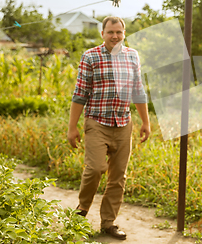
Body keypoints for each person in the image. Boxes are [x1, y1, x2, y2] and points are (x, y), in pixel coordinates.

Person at [67, 16, 151, 240]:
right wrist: (72, 127)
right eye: (110, 32)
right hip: (97, 121)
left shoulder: (132, 56)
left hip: (123, 123)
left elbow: (138, 91)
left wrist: (145, 122)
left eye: (119, 32)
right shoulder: (91, 56)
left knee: (118, 176)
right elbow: (79, 94)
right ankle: (82, 210)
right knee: (95, 168)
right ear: (102, 34)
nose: (115, 36)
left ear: (124, 34)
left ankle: (108, 223)